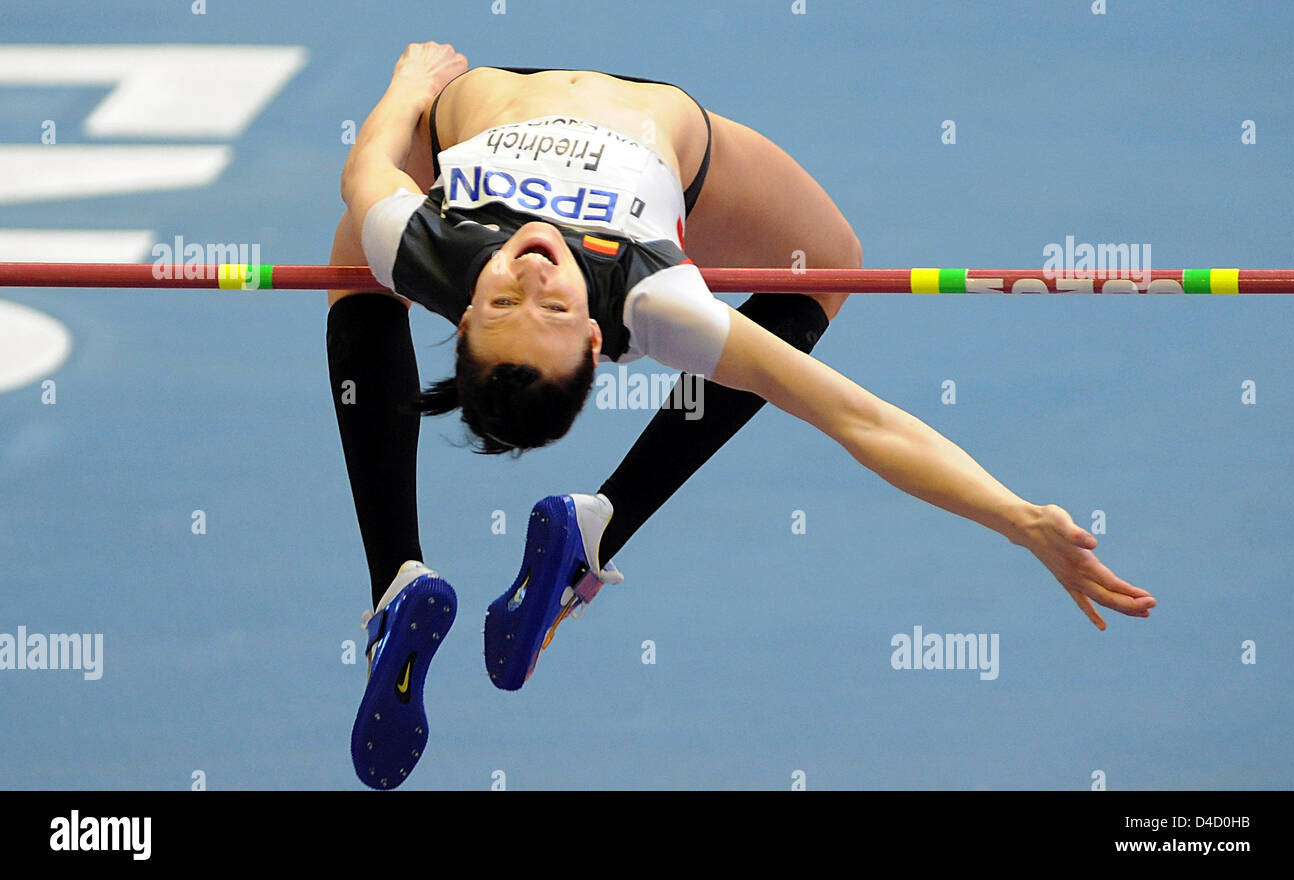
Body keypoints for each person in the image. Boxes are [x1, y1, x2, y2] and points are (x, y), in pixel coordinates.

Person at [328, 42, 1155, 789]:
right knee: (826, 266)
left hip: (468, 112)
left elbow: (366, 163)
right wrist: (1017, 518)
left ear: (465, 312)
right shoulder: (656, 299)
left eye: (509, 294)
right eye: (543, 304)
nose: (535, 269)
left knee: (352, 259)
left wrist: (409, 88)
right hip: (653, 120)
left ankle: (398, 577)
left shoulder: (420, 244)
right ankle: (594, 531)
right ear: (591, 333)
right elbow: (860, 420)